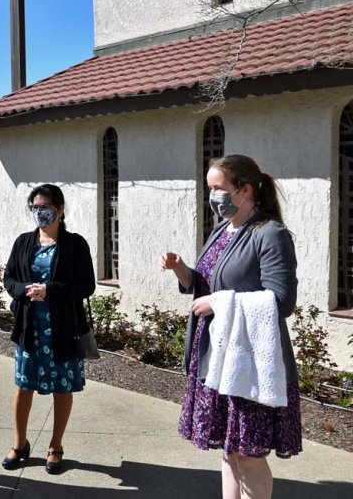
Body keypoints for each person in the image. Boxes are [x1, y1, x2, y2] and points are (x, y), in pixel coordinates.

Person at [159, 155, 301, 499]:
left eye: (218, 188)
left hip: (248, 362)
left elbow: (281, 301)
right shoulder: (225, 228)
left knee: (248, 454)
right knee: (229, 448)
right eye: (210, 188)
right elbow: (209, 283)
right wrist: (182, 270)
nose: (212, 196)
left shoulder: (270, 234)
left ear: (245, 189)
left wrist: (219, 304)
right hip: (216, 357)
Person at [2, 183, 95, 475]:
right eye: (36, 207)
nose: (41, 212)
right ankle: (20, 444)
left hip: (62, 329)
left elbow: (86, 285)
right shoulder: (22, 242)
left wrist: (50, 290)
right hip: (30, 328)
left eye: (47, 207)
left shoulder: (75, 244)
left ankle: (56, 446)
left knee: (61, 388)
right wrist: (23, 290)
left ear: (60, 210)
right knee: (23, 386)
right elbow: (9, 278)